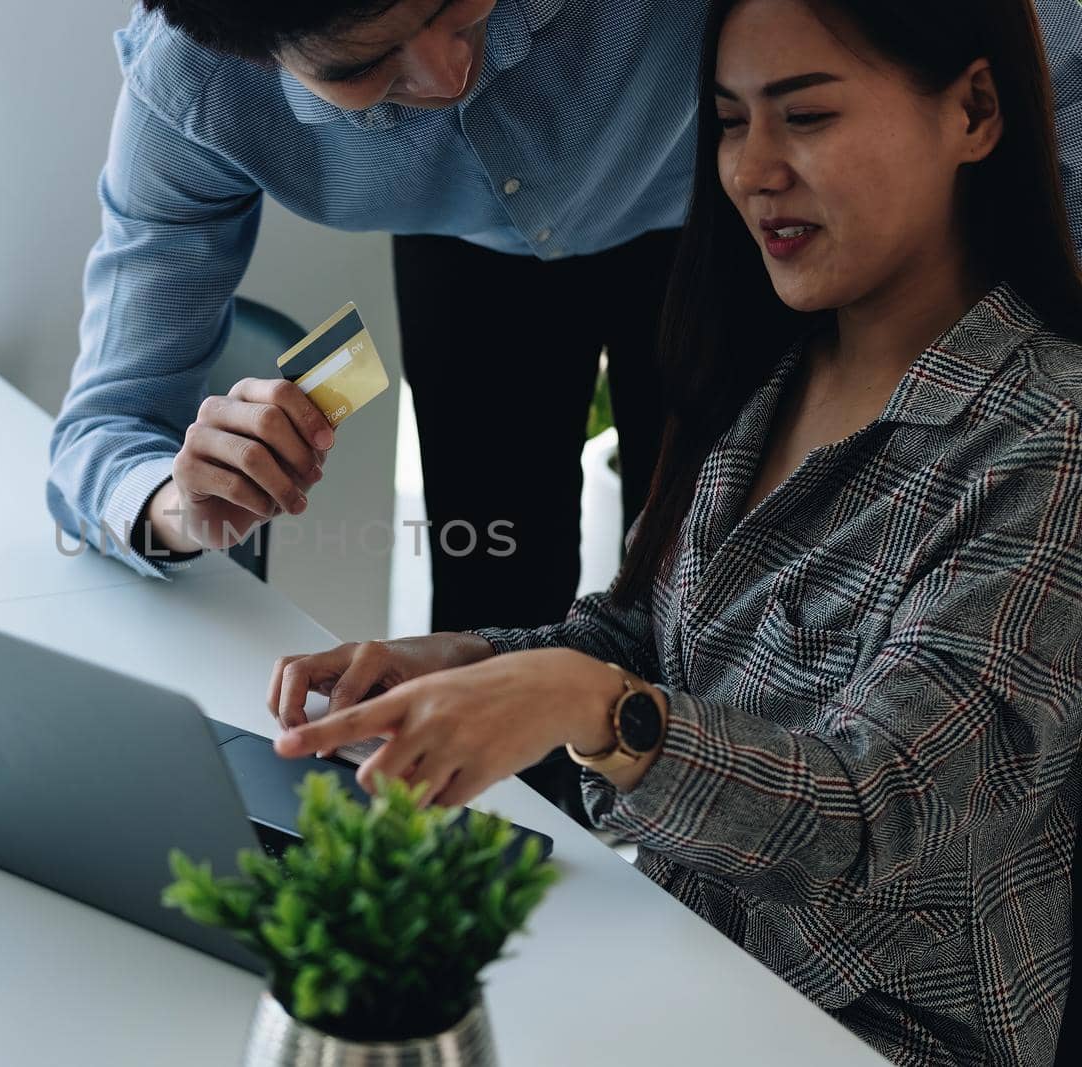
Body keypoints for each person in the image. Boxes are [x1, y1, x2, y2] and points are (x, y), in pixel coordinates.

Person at [268, 0, 1082, 1061]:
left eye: (807, 116)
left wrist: (596, 706)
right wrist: (454, 666)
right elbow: (640, 635)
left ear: (973, 110)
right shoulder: (758, 368)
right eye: (730, 121)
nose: (755, 169)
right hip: (663, 963)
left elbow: (879, 809)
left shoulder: (1047, 439)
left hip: (865, 1034)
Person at [45, 0, 1082, 824]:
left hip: (713, 224)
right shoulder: (190, 83)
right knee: (556, 583)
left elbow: (1019, 50)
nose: (448, 78)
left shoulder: (1026, 430)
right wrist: (178, 501)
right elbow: (99, 432)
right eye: (365, 68)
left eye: (456, 9)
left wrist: (993, 331)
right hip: (477, 257)